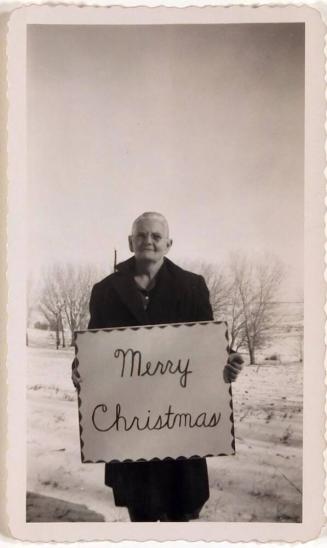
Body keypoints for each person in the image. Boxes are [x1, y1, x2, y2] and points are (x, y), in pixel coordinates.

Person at [72, 211, 243, 522]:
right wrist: (81, 368)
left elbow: (207, 340)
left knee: (182, 510)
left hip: (180, 421)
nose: (148, 241)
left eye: (156, 236)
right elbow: (94, 347)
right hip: (130, 422)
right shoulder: (106, 290)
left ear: (168, 244)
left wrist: (226, 360)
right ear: (130, 242)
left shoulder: (192, 286)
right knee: (141, 511)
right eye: (141, 235)